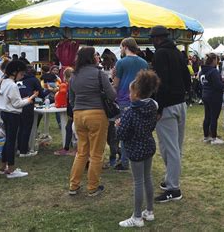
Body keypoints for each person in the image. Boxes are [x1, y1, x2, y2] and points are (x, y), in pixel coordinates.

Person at [150, 25, 191, 203]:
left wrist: (158, 108)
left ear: (157, 38)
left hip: (167, 106)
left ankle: (173, 188)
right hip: (181, 104)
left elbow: (160, 83)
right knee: (175, 148)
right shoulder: (178, 53)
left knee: (170, 149)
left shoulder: (160, 54)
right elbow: (188, 79)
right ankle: (169, 180)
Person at [68, 47, 116, 197]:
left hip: (78, 114)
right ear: (91, 57)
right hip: (96, 114)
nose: (97, 56)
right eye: (95, 54)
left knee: (81, 152)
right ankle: (92, 187)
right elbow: (112, 95)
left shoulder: (73, 76)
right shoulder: (99, 74)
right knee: (96, 153)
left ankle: (73, 186)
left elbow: (71, 99)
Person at [117, 70, 159, 228]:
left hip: (135, 150)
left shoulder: (130, 113)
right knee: (147, 178)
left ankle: (136, 216)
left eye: (130, 92)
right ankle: (149, 211)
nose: (129, 95)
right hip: (148, 146)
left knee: (138, 182)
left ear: (136, 93)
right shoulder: (152, 107)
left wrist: (118, 125)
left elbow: (121, 134)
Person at [0, 61, 38, 178]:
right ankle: (11, 169)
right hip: (12, 115)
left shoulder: (3, 82)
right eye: (21, 73)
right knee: (11, 141)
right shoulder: (12, 85)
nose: (23, 76)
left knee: (8, 141)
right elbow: (17, 104)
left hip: (5, 113)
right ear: (14, 72)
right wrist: (30, 99)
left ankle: (3, 166)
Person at [113, 37, 148, 171]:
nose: (120, 49)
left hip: (124, 98)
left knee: (124, 129)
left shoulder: (120, 63)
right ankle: (141, 156)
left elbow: (116, 84)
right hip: (140, 98)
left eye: (121, 47)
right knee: (140, 129)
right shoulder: (144, 62)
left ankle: (124, 161)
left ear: (126, 46)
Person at [199, 53, 224, 145]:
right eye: (216, 60)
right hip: (214, 96)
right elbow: (218, 86)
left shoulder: (202, 71)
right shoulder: (214, 71)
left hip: (205, 94)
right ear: (213, 60)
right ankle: (214, 138)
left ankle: (206, 136)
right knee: (214, 117)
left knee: (207, 116)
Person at [17, 65, 44, 157]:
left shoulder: (18, 78)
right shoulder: (33, 79)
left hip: (16, 105)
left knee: (20, 128)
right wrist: (49, 90)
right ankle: (24, 151)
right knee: (26, 128)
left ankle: (19, 149)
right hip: (27, 105)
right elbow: (41, 94)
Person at [54, 67, 77, 156]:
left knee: (72, 129)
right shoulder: (70, 84)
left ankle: (71, 148)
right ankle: (67, 147)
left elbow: (71, 99)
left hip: (74, 110)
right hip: (73, 110)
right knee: (69, 128)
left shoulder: (70, 84)